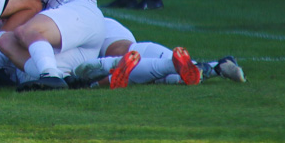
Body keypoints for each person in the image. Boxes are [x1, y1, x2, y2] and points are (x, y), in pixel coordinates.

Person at [0, 0, 106, 91]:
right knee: (5, 42)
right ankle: (65, 77)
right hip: (76, 41)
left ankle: (51, 75)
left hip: (81, 10)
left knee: (27, 31)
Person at [71, 18, 245, 88]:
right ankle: (217, 67)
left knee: (122, 52)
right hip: (87, 27)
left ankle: (107, 74)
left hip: (92, 25)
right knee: (166, 77)